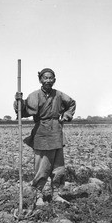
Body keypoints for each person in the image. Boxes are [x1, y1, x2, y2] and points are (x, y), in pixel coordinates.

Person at [14, 68, 76, 207]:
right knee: (42, 166)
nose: (48, 80)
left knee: (58, 167)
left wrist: (66, 116)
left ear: (54, 80)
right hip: (41, 132)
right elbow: (23, 111)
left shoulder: (59, 95)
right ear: (40, 80)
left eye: (50, 78)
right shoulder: (34, 96)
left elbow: (72, 103)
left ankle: (55, 194)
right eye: (45, 78)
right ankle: (38, 196)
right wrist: (19, 101)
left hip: (56, 130)